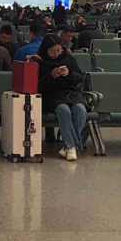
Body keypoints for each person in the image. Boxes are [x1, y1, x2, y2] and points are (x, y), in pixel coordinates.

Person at [37, 33, 88, 161]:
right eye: (52, 51)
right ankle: (73, 146)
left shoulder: (69, 58)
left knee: (80, 109)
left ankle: (68, 146)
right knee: (63, 110)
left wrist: (69, 73)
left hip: (72, 94)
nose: (56, 53)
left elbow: (79, 78)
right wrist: (51, 76)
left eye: (58, 50)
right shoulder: (40, 61)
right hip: (52, 96)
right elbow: (38, 86)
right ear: (46, 50)